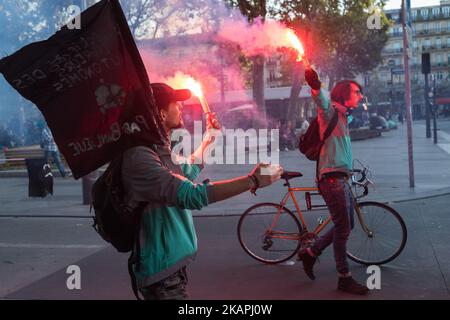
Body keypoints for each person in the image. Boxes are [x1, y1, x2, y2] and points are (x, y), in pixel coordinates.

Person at [121, 83, 283, 300]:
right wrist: (252, 180)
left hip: (172, 268)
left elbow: (188, 170)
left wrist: (209, 139)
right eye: (175, 103)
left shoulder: (158, 151)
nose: (180, 107)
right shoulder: (139, 158)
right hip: (161, 274)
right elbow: (192, 195)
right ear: (160, 114)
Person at [297, 68, 369, 295]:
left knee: (346, 225)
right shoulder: (330, 112)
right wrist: (316, 85)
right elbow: (322, 100)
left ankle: (310, 253)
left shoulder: (344, 117)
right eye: (357, 92)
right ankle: (343, 277)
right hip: (331, 180)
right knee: (343, 228)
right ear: (344, 94)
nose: (360, 96)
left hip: (340, 177)